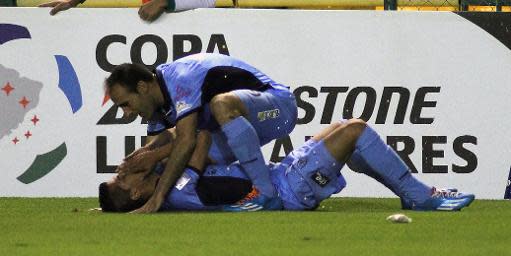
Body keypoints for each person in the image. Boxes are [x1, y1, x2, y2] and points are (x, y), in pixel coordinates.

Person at [99, 119, 475, 212]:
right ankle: (420, 196)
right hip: (286, 192)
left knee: (345, 128)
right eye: (121, 177)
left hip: (280, 175)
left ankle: (409, 193)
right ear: (134, 191)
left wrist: (152, 157)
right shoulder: (177, 195)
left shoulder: (164, 181)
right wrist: (155, 154)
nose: (123, 169)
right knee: (356, 131)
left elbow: (194, 139)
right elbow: (195, 141)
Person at [105, 53, 297, 213]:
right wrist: (118, 198)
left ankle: (266, 193)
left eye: (125, 104)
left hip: (280, 108)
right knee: (172, 162)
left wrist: (157, 197)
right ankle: (261, 189)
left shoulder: (180, 78)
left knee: (220, 105)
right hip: (246, 123)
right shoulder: (155, 106)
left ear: (142, 87)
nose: (126, 113)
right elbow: (159, 159)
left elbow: (186, 141)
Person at [38, 0, 216, 22]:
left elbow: (210, 1)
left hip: (197, 32)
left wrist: (165, 2)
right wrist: (74, 2)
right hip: (152, 31)